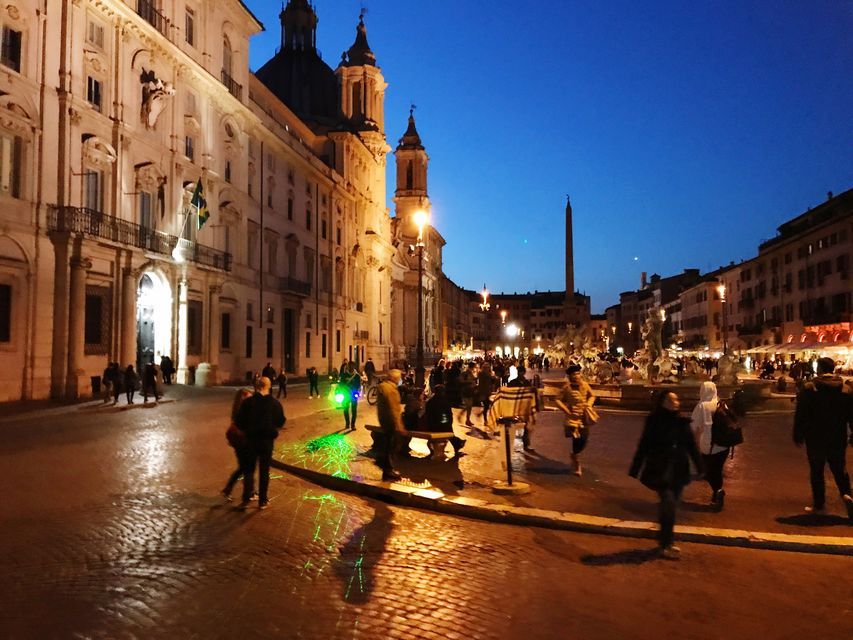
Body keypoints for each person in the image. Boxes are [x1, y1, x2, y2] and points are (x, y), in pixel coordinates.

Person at [629, 391, 704, 559]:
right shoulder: (654, 421)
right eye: (671, 399)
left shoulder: (681, 422)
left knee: (671, 505)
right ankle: (665, 544)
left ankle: (667, 541)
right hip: (660, 469)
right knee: (669, 504)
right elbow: (644, 444)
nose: (675, 401)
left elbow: (691, 446)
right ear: (662, 402)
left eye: (676, 399)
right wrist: (635, 468)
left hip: (678, 468)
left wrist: (700, 466)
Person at [793, 357, 853, 519]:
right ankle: (847, 495)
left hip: (815, 437)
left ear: (819, 369)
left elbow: (801, 414)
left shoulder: (810, 388)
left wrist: (798, 433)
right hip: (837, 436)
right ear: (833, 369)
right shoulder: (845, 389)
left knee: (817, 471)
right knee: (840, 469)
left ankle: (819, 505)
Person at [233, 376, 286, 510]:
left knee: (249, 469)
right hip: (267, 442)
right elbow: (281, 421)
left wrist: (247, 429)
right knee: (264, 470)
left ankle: (246, 498)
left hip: (250, 440)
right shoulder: (274, 403)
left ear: (257, 387)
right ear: (269, 386)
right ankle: (262, 500)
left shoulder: (248, 402)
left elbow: (239, 421)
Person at [690, 381, 729, 510]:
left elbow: (694, 427)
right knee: (717, 470)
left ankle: (718, 491)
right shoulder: (721, 404)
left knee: (709, 470)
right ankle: (716, 494)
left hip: (708, 445)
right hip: (724, 445)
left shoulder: (702, 406)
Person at [555, 364, 596, 476]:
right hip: (572, 418)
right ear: (570, 376)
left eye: (578, 373)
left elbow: (592, 396)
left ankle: (574, 455)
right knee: (576, 439)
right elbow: (557, 400)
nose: (577, 376)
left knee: (584, 439)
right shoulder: (566, 387)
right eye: (574, 374)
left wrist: (589, 404)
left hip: (584, 417)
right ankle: (577, 464)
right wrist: (566, 410)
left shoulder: (585, 385)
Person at [222, 388, 253, 501]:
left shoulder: (237, 409)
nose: (251, 400)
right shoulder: (242, 411)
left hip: (239, 443)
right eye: (249, 397)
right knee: (247, 469)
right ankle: (248, 493)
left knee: (243, 468)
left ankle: (229, 489)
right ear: (243, 398)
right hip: (243, 443)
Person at [376, 369, 407, 481]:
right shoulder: (391, 390)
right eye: (399, 378)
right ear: (395, 378)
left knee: (388, 445)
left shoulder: (383, 386)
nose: (400, 380)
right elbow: (394, 409)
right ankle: (388, 470)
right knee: (392, 446)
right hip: (391, 423)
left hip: (384, 421)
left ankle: (386, 469)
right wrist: (399, 426)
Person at [424, 384, 466, 455]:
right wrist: (447, 423)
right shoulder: (445, 401)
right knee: (448, 430)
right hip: (439, 426)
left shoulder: (430, 401)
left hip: (431, 425)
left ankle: (458, 443)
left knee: (447, 429)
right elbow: (448, 415)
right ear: (443, 392)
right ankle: (458, 444)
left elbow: (428, 414)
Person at [339, 362, 362, 430]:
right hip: (346, 394)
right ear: (348, 367)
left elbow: (358, 385)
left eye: (352, 366)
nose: (351, 368)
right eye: (349, 366)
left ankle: (353, 425)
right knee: (346, 409)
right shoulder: (344, 375)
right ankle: (347, 423)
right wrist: (345, 389)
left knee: (354, 410)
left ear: (354, 367)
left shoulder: (357, 376)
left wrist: (355, 390)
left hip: (353, 394)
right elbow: (341, 384)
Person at [459, 363, 476, 427]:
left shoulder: (471, 373)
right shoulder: (465, 373)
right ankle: (461, 415)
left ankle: (468, 420)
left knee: (470, 406)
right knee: (468, 405)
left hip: (470, 391)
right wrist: (469, 382)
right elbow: (461, 381)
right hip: (465, 391)